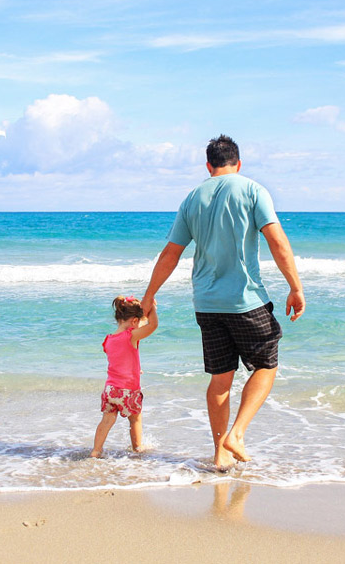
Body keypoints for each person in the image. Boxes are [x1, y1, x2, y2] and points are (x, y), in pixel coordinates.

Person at [141, 134, 304, 469]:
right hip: (244, 300)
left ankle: (220, 454)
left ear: (208, 165)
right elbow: (276, 240)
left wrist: (149, 294)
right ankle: (237, 434)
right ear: (238, 163)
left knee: (220, 379)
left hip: (206, 303)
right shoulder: (252, 190)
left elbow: (171, 254)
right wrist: (295, 286)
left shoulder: (191, 199)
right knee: (267, 365)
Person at [90, 295, 159, 458]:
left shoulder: (108, 340)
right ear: (134, 321)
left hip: (110, 390)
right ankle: (137, 448)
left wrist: (136, 368)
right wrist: (152, 308)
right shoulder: (131, 336)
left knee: (106, 421)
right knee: (135, 419)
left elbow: (120, 360)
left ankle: (96, 451)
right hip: (128, 391)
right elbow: (153, 325)